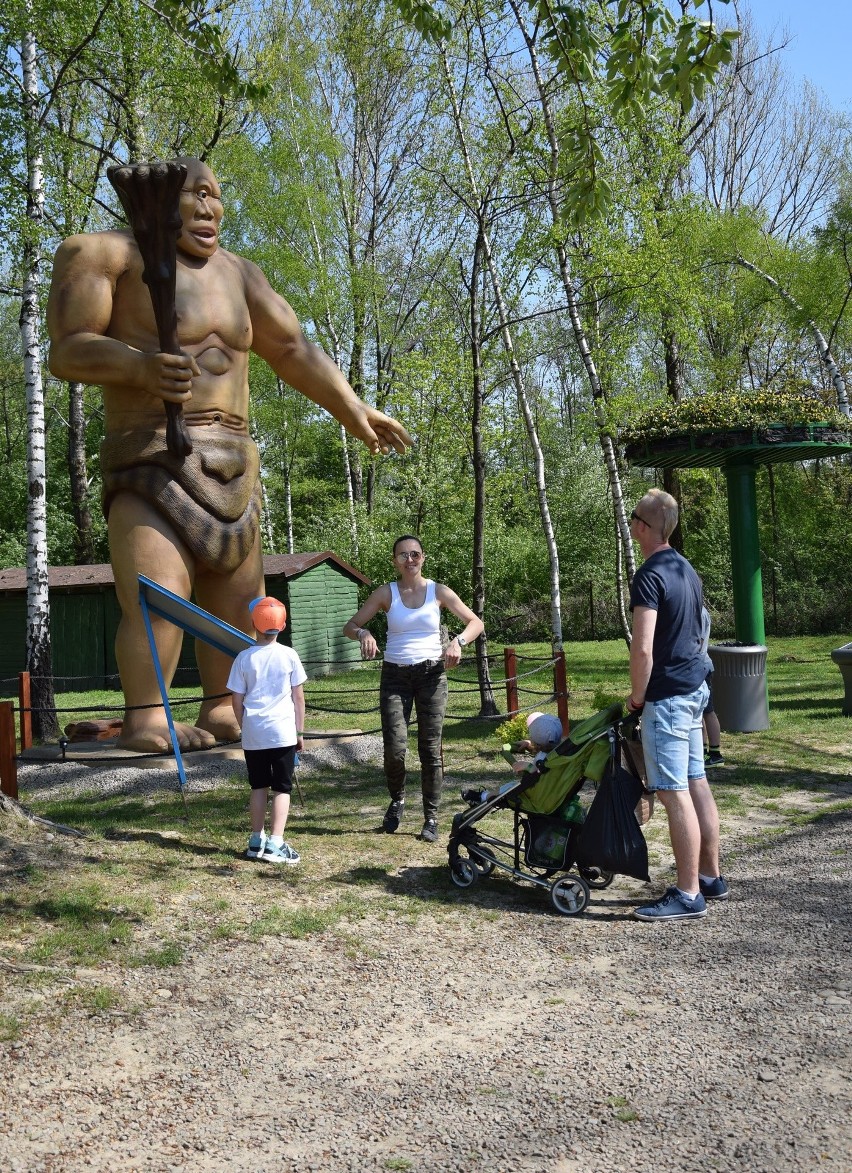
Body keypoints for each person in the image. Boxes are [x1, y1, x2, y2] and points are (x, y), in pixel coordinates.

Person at [47, 157, 412, 753]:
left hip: (235, 461)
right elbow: (68, 350)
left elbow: (291, 346)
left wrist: (353, 409)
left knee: (236, 602)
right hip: (153, 454)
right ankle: (145, 717)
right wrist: (138, 367)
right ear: (161, 201)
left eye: (217, 196)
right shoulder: (105, 255)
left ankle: (222, 707)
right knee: (159, 598)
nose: (210, 208)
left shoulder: (240, 275)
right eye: (196, 195)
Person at [626, 488, 728, 921]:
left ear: (643, 526)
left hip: (667, 696)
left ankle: (687, 895)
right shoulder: (685, 568)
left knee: (672, 792)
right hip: (695, 689)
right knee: (696, 781)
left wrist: (636, 696)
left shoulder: (649, 575)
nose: (631, 523)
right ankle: (709, 877)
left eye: (634, 517)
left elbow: (643, 648)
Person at [343, 535, 484, 843]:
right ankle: (398, 800)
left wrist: (458, 642)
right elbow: (349, 626)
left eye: (415, 554)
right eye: (403, 555)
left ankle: (431, 817)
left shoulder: (438, 591)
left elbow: (475, 622)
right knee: (395, 748)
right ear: (395, 560)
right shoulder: (385, 593)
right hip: (395, 677)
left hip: (431, 676)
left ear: (423, 558)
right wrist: (364, 633)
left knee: (430, 749)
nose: (410, 560)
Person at [227, 596, 306, 864]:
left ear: (254, 624)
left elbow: (236, 699)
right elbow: (298, 698)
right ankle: (276, 843)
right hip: (283, 732)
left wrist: (244, 725)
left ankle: (255, 840)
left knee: (258, 785)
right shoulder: (289, 655)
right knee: (282, 788)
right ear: (282, 626)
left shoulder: (243, 658)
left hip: (254, 733)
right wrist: (299, 732)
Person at [461, 711, 564, 805]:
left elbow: (537, 773)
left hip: (538, 793)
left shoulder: (543, 759)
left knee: (510, 787)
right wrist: (528, 744)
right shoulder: (559, 752)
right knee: (511, 785)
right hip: (553, 791)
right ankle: (485, 796)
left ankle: (483, 797)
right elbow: (544, 750)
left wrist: (526, 766)